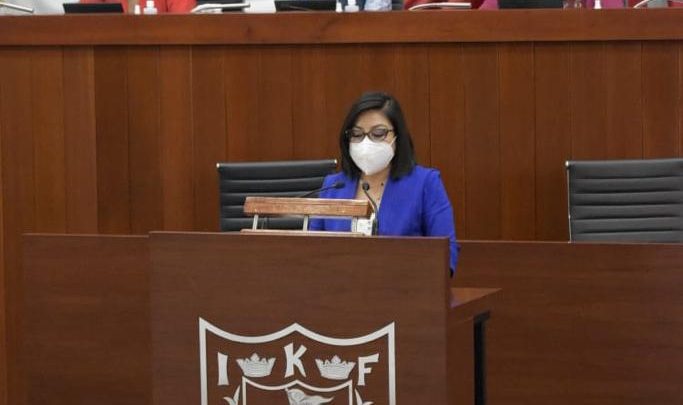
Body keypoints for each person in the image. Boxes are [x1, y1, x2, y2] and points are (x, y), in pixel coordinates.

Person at [308, 91, 459, 275]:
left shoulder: (425, 184)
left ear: (397, 137)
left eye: (378, 133)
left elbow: (446, 254)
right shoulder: (333, 186)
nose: (366, 142)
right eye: (357, 134)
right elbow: (311, 253)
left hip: (405, 287)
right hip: (339, 287)